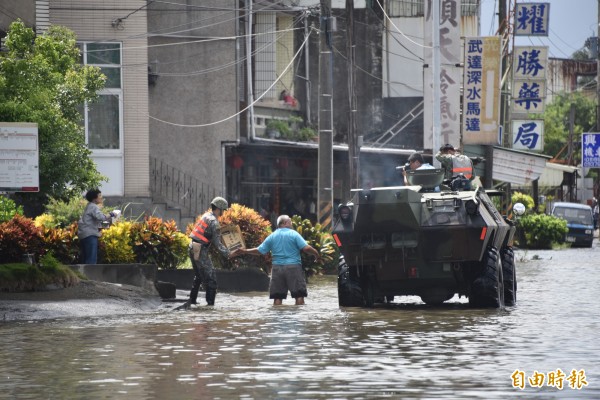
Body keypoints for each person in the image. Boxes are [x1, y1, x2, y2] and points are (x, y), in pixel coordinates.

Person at [232, 214, 320, 305]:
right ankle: (297, 317)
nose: (291, 223)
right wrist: (316, 254)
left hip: (277, 269)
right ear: (285, 223)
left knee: (277, 297)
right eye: (290, 221)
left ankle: (276, 317)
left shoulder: (272, 236)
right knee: (299, 295)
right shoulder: (294, 234)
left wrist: (245, 251)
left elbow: (260, 251)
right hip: (293, 268)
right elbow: (306, 248)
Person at [187, 196, 232, 306]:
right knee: (211, 279)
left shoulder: (206, 216)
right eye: (223, 210)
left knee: (198, 275)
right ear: (219, 208)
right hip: (200, 250)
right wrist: (228, 254)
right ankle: (210, 306)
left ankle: (192, 300)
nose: (223, 212)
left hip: (192, 247)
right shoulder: (214, 222)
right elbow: (218, 244)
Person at [78, 189, 115, 264]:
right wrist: (111, 214)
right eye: (100, 195)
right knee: (91, 260)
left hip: (84, 235)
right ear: (94, 198)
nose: (101, 197)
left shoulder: (89, 206)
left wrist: (109, 224)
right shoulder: (93, 207)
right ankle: (90, 275)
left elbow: (96, 223)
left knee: (85, 259)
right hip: (90, 235)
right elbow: (101, 217)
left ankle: (84, 275)